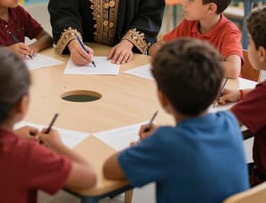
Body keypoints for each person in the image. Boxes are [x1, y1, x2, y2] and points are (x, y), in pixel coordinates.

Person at [103, 38, 249, 203]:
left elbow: (108, 169)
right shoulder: (228, 121)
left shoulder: (165, 143)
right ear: (216, 91)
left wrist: (143, 148)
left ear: (163, 98)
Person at [0, 48, 97, 202]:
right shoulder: (26, 154)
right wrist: (57, 144)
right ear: (22, 104)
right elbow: (90, 177)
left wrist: (14, 137)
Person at [149, 0, 242, 78]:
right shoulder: (190, 23)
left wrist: (188, 64)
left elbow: (233, 69)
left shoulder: (229, 32)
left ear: (210, 8)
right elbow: (155, 48)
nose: (183, 2)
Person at [218, 6, 266, 186]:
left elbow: (223, 125)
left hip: (260, 186)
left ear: (261, 53)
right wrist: (240, 93)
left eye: (250, 43)